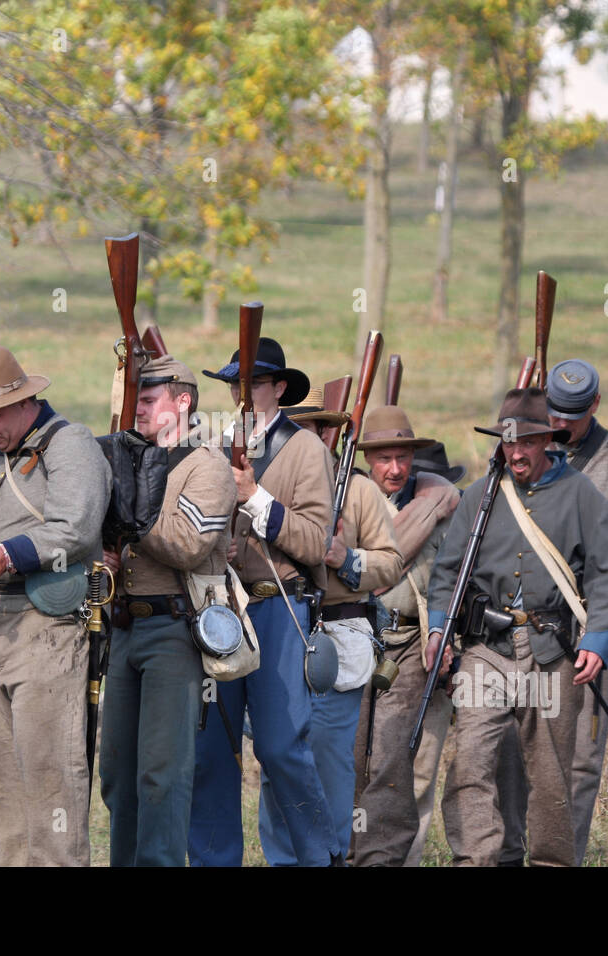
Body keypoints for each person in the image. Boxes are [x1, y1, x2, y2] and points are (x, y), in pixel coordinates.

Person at [430, 387, 608, 867]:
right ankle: (476, 859)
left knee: (551, 776)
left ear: (546, 442)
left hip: (553, 651)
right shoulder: (479, 495)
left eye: (527, 442)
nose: (516, 452)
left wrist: (599, 641)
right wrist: (439, 631)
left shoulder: (582, 494)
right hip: (487, 650)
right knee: (470, 763)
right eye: (508, 442)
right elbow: (447, 572)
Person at [0, 344, 109, 866]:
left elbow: (76, 527)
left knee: (50, 769)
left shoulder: (71, 444)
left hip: (47, 623)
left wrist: (9, 553)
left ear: (23, 403)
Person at [494, 359, 608, 865]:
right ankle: (507, 853)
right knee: (509, 752)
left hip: (587, 626)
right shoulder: (518, 449)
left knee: (581, 760)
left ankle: (563, 857)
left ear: (595, 405)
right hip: (518, 626)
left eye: (572, 415)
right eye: (554, 412)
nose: (561, 425)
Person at [188, 338, 342, 867]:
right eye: (236, 384)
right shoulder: (211, 447)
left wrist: (255, 501)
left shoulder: (307, 450)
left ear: (279, 387)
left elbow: (319, 542)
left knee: (280, 748)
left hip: (278, 607)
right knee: (211, 754)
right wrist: (217, 543)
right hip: (220, 609)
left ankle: (320, 857)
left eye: (254, 382)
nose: (243, 393)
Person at [99, 355, 236, 866]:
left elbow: (186, 546)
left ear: (183, 401)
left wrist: (131, 521)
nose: (138, 408)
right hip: (123, 628)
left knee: (162, 774)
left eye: (150, 398)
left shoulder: (209, 466)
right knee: (117, 772)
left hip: (174, 630)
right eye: (135, 397)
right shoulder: (129, 458)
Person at [257, 389, 401, 864]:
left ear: (333, 433)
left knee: (327, 763)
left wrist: (346, 558)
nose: (312, 438)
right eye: (302, 428)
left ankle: (331, 854)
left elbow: (391, 562)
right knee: (278, 760)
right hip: (275, 636)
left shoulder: (358, 490)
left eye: (319, 428)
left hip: (333, 640)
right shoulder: (269, 487)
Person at [345, 405, 463, 866]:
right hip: (354, 639)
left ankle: (388, 858)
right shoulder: (350, 503)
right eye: (384, 459)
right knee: (352, 759)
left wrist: (443, 633)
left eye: (403, 458)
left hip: (413, 643)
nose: (395, 469)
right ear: (368, 460)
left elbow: (448, 580)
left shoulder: (440, 511)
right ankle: (352, 851)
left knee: (398, 760)